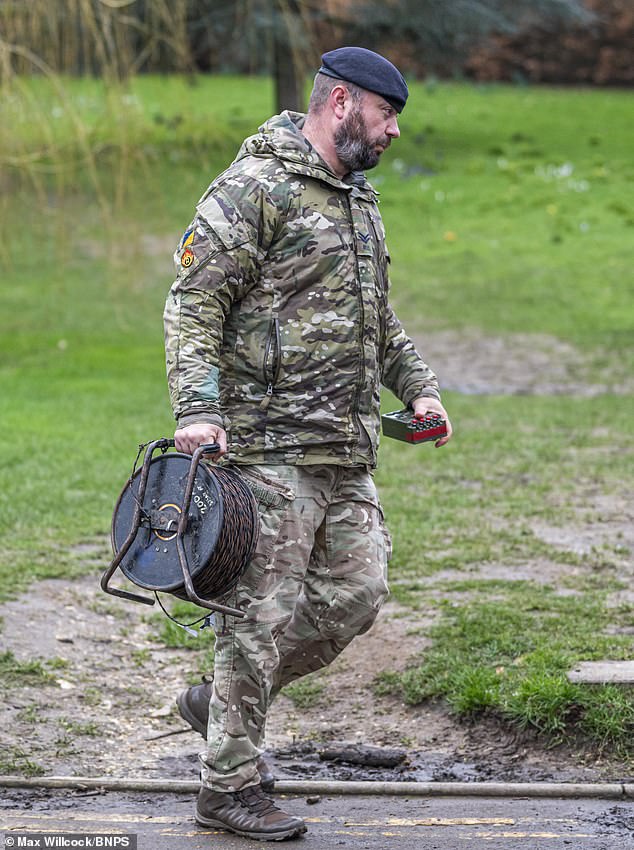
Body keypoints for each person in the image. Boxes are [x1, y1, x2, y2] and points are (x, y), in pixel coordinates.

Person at [164, 45, 452, 841]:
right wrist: (198, 408)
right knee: (261, 615)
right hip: (267, 446)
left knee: (355, 595)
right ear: (340, 103)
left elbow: (376, 316)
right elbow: (193, 305)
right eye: (386, 114)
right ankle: (226, 786)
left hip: (345, 446)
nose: (394, 131)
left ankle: (213, 704)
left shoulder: (358, 201)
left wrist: (418, 387)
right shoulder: (255, 187)